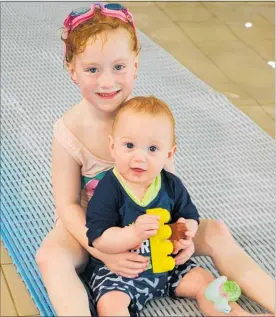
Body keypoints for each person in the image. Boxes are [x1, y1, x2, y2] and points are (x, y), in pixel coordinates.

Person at [35, 3, 275, 316]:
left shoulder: (148, 120)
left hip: (150, 224)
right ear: (73, 71)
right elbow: (67, 206)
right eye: (93, 69)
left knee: (215, 231)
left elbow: (168, 188)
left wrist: (182, 234)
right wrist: (103, 250)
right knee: (49, 257)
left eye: (118, 67)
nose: (108, 82)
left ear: (135, 65)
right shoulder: (69, 130)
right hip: (90, 228)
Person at [84, 96, 272, 317]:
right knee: (110, 304)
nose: (139, 157)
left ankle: (239, 315)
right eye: (129, 145)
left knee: (209, 285)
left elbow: (190, 216)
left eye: (152, 149)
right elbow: (99, 238)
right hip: (123, 270)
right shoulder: (109, 188)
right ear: (113, 146)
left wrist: (187, 232)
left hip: (171, 266)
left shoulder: (170, 184)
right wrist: (131, 233)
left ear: (169, 154)